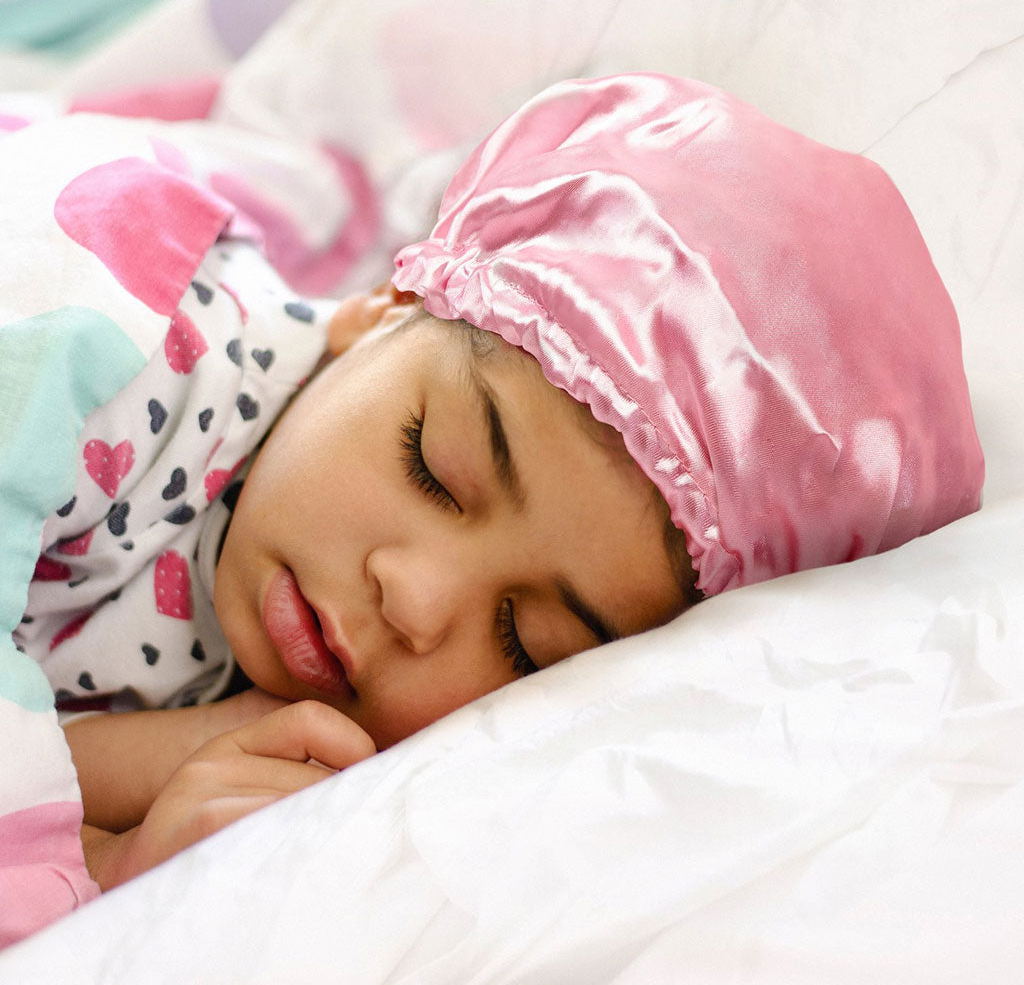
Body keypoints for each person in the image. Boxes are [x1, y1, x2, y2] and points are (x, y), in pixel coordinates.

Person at [14, 72, 984, 893]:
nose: (416, 601)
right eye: (432, 470)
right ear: (388, 308)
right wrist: (107, 836)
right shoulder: (107, 332)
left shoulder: (330, 731)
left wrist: (158, 816)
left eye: (526, 642)